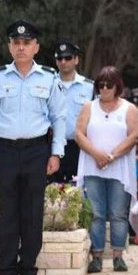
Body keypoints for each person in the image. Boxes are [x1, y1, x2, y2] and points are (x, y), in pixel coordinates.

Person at [0, 20, 66, 275]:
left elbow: (59, 118)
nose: (21, 47)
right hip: (5, 151)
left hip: (37, 151)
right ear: (9, 46)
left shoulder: (49, 77)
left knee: (32, 210)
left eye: (26, 43)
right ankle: (6, 271)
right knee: (8, 212)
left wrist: (56, 153)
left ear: (36, 47)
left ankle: (28, 270)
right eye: (16, 42)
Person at [75, 66, 138, 273]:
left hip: (119, 168)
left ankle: (118, 256)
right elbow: (79, 133)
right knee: (96, 213)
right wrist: (97, 154)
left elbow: (134, 136)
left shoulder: (129, 108)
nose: (104, 89)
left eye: (108, 85)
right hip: (93, 168)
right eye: (100, 85)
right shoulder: (88, 107)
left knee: (118, 214)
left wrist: (111, 155)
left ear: (117, 86)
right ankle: (97, 256)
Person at [50, 40, 93, 184]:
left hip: (78, 148)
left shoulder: (89, 87)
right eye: (59, 58)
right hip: (51, 147)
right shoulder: (47, 84)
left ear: (76, 60)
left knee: (76, 194)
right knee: (50, 194)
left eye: (68, 58)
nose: (63, 61)